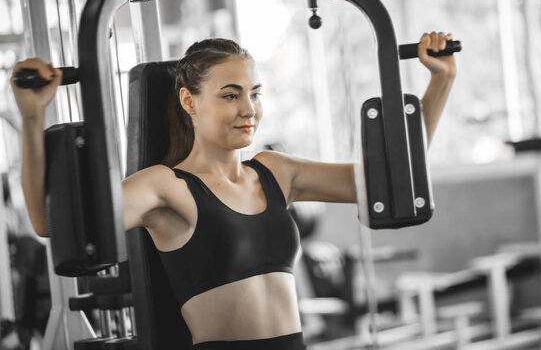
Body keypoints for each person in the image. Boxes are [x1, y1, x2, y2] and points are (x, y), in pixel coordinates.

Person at [9, 32, 456, 349]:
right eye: (229, 95)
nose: (249, 109)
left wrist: (440, 82)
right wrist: (32, 118)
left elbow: (390, 180)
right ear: (189, 102)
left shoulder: (276, 171)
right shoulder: (167, 188)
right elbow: (53, 223)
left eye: (254, 93)